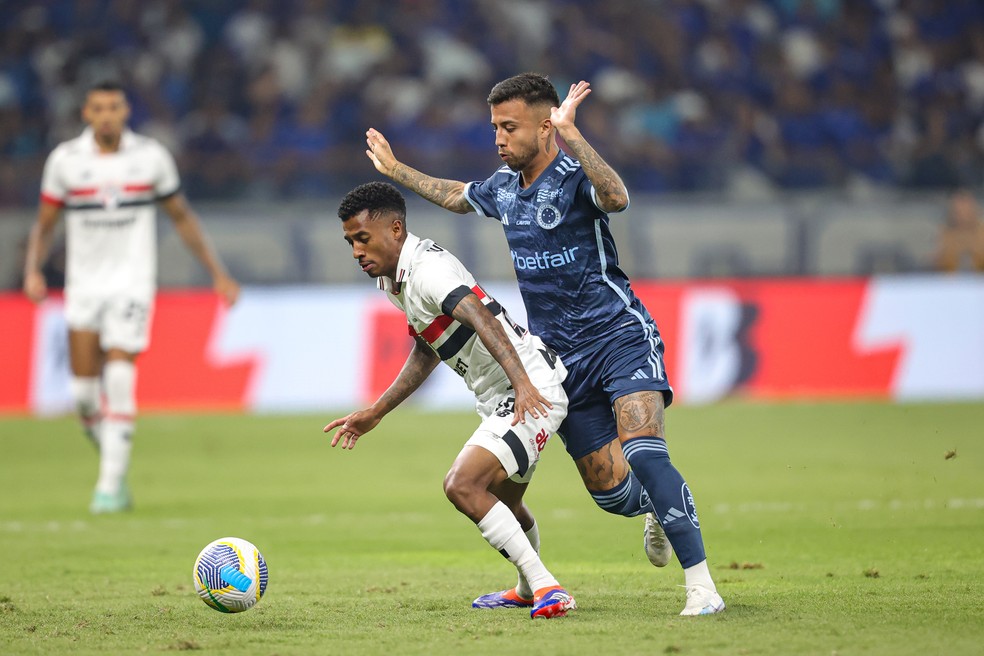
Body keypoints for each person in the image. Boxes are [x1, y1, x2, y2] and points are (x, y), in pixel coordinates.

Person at [365, 73, 724, 616]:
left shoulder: (574, 176)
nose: (499, 139)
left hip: (619, 335)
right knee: (609, 492)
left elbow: (617, 197)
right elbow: (458, 197)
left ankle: (702, 588)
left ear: (544, 124)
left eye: (509, 128)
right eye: (495, 128)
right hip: (560, 359)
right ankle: (658, 506)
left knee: (644, 451)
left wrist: (573, 136)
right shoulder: (505, 189)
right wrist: (396, 172)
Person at [324, 181, 575, 619]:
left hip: (529, 388)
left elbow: (478, 315)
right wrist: (376, 412)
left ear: (395, 229)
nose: (356, 251)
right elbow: (429, 346)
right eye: (350, 242)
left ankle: (547, 587)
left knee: (462, 485)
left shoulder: (428, 272)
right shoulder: (393, 280)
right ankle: (525, 587)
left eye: (362, 238)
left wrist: (521, 385)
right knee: (506, 502)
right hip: (507, 391)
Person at [22, 81, 240, 514]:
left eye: (114, 107)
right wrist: (32, 269)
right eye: (98, 107)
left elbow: (181, 217)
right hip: (82, 287)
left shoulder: (150, 158)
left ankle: (108, 488)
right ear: (86, 112)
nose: (106, 115)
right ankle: (114, 465)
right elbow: (45, 224)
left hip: (132, 284)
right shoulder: (65, 161)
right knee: (84, 396)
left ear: (125, 112)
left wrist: (218, 274)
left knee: (119, 381)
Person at [934, 188, 984, 272]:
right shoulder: (945, 233)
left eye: (965, 209)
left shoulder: (981, 232)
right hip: (950, 282)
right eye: (957, 210)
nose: (962, 214)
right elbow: (939, 263)